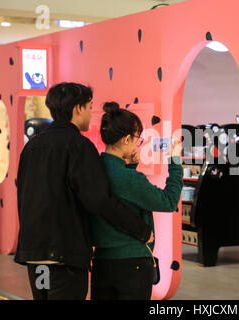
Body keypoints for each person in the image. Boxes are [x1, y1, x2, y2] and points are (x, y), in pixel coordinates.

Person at [14, 83, 153, 300]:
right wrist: (141, 230)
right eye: (89, 107)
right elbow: (99, 200)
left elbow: (22, 194)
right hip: (64, 256)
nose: (91, 113)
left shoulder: (31, 148)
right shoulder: (79, 146)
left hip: (36, 256)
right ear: (78, 108)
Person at [90, 102, 183, 300]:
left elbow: (119, 200)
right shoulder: (129, 179)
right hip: (133, 263)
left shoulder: (92, 170)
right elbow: (168, 201)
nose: (137, 144)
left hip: (101, 261)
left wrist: (130, 168)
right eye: (137, 139)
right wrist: (175, 163)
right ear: (126, 139)